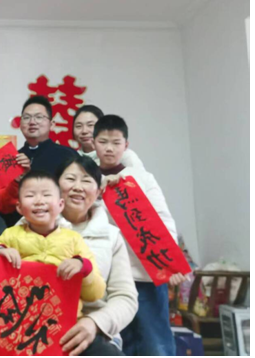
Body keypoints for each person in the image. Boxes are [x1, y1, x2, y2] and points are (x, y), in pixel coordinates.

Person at [93, 115, 187, 356]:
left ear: (126, 145)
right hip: (109, 277)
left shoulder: (142, 177)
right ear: (93, 143)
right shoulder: (89, 181)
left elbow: (164, 219)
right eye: (103, 142)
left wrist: (171, 262)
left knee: (155, 343)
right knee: (117, 343)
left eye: (116, 142)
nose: (109, 148)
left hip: (147, 274)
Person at [0, 170, 106, 320]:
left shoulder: (74, 240)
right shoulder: (10, 236)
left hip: (62, 321)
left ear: (60, 204)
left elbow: (96, 294)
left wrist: (83, 267)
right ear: (19, 207)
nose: (39, 201)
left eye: (46, 195)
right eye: (30, 195)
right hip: (15, 320)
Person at [54, 156, 138, 356]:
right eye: (70, 179)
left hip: (94, 333)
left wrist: (95, 323)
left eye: (86, 181)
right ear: (56, 186)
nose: (78, 187)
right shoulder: (29, 223)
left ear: (99, 191)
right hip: (38, 325)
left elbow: (125, 297)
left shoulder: (111, 236)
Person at [0, 96, 78, 225]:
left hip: (57, 227)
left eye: (39, 117)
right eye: (26, 117)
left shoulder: (68, 156)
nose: (32, 122)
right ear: (20, 124)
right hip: (14, 230)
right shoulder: (10, 159)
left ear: (52, 124)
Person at [73, 105, 144, 169]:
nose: (84, 131)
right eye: (78, 126)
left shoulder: (125, 156)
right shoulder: (72, 157)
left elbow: (140, 177)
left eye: (90, 125)